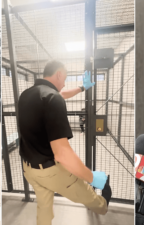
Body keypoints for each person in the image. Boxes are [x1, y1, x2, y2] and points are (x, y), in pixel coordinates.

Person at [17, 60, 112, 225]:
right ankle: (103, 206)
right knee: (89, 196)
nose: (64, 83)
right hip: (51, 171)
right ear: (59, 74)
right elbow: (63, 154)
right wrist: (91, 177)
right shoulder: (53, 98)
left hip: (29, 169)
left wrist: (82, 88)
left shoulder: (27, 94)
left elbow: (61, 95)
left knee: (44, 209)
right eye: (65, 78)